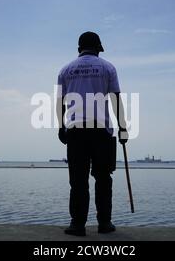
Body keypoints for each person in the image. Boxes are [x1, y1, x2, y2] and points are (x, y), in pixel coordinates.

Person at [56, 31, 128, 236]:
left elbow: (60, 102)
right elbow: (115, 99)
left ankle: (77, 225)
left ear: (79, 49)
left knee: (78, 180)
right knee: (103, 178)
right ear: (98, 48)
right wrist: (123, 128)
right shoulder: (108, 67)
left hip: (76, 131)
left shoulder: (65, 70)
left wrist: (61, 127)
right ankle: (104, 223)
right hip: (101, 132)